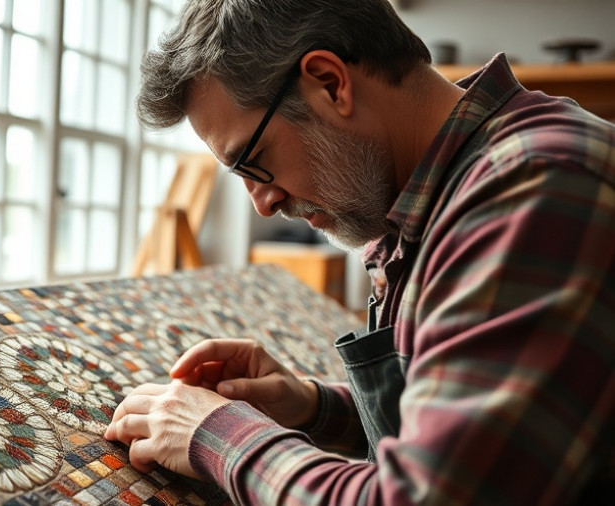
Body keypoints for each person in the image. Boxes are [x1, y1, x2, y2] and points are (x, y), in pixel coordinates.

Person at [103, 0, 615, 504]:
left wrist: (217, 433)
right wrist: (312, 406)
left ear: (329, 82)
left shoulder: (531, 187)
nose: (262, 203)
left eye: (254, 160)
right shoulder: (449, 196)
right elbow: (467, 420)